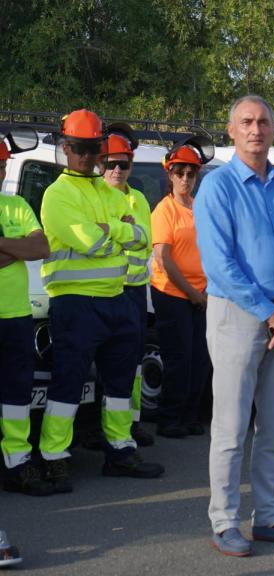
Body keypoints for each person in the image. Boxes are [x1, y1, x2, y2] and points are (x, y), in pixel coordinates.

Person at [195, 95, 274, 556]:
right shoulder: (218, 187)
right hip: (238, 315)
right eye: (246, 121)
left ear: (273, 130)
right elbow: (220, 264)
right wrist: (272, 313)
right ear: (231, 131)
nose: (255, 129)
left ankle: (267, 517)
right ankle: (225, 521)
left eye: (263, 121)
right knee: (230, 428)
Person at [39, 109, 163, 491]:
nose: (86, 156)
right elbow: (91, 242)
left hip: (117, 299)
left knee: (121, 384)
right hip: (75, 304)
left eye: (93, 149)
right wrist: (118, 233)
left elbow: (142, 237)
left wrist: (112, 232)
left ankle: (120, 451)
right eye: (79, 148)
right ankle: (54, 458)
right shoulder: (57, 194)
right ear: (65, 147)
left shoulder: (107, 192)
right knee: (68, 383)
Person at [150, 135, 214, 438]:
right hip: (172, 293)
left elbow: (213, 250)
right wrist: (192, 293)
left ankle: (190, 415)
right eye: (180, 172)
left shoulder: (200, 208)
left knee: (200, 358)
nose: (186, 178)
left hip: (202, 293)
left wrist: (206, 290)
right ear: (170, 175)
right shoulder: (164, 210)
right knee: (179, 358)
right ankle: (169, 418)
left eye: (191, 173)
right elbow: (163, 258)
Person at [1, 129, 53, 497]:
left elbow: (41, 247)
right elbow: (27, 248)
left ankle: (17, 463)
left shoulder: (16, 205)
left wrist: (4, 245)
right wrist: (16, 248)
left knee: (16, 393)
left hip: (17, 316)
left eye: (0, 166)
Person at [99, 124, 154, 448]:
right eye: (111, 163)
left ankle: (130, 422)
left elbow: (145, 243)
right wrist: (127, 232)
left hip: (135, 292)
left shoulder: (140, 199)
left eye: (124, 164)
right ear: (101, 164)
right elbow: (98, 239)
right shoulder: (96, 197)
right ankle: (100, 427)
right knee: (105, 363)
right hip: (107, 289)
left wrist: (124, 232)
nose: (117, 170)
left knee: (132, 363)